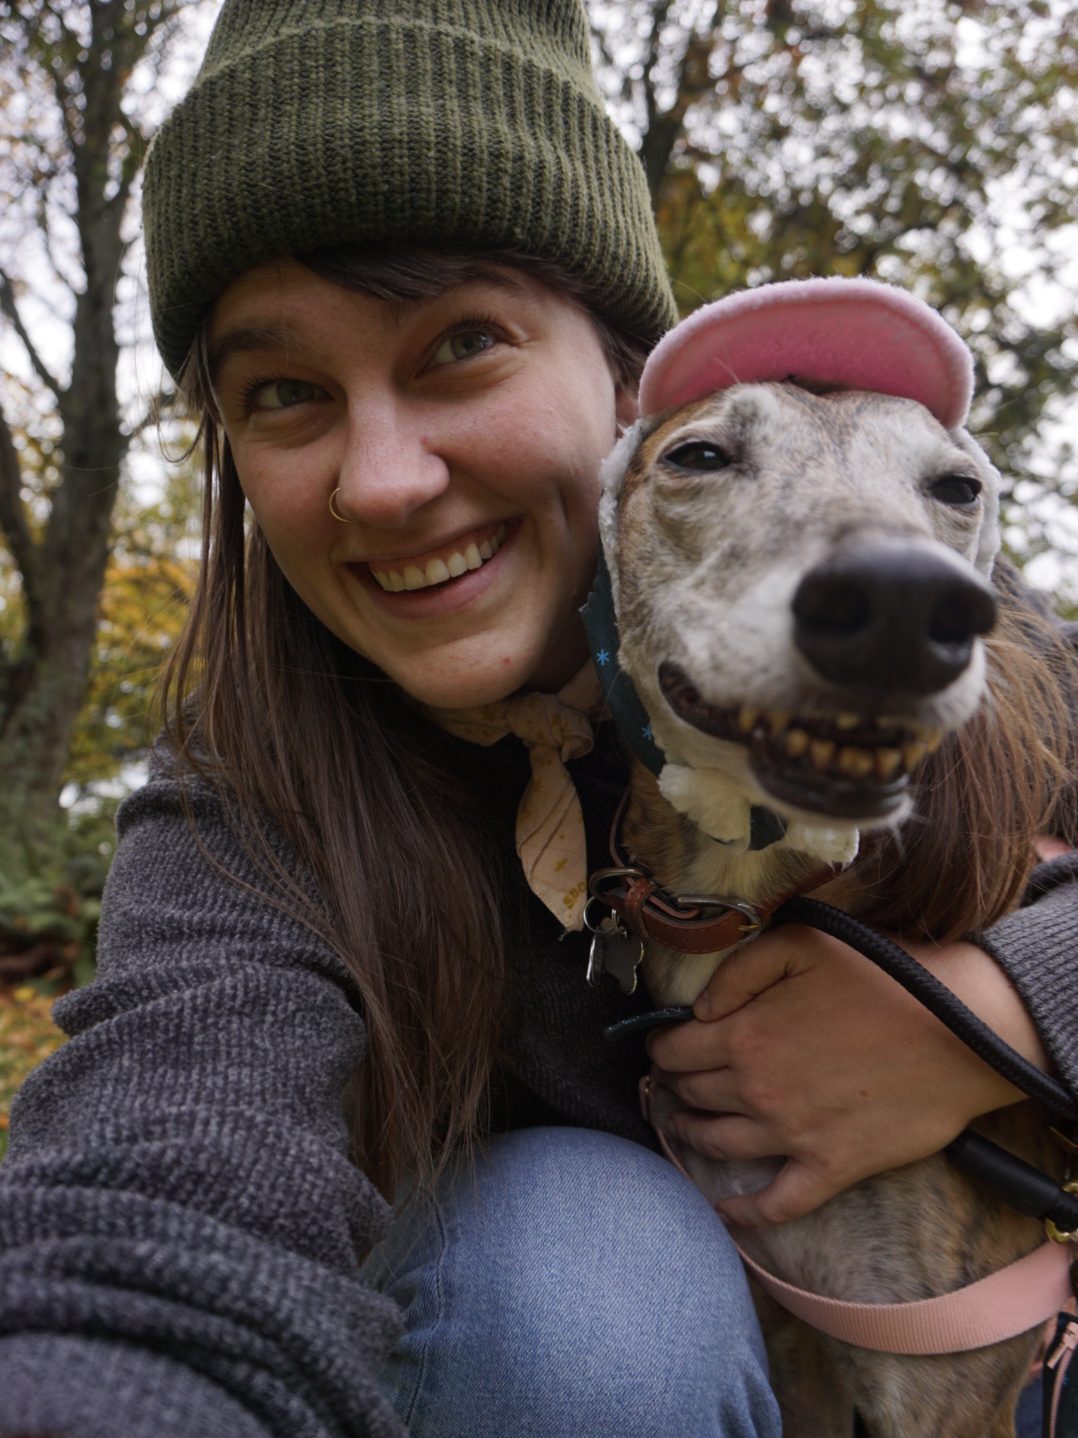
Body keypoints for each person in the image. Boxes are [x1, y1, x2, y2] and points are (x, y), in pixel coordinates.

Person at [0, 3, 1075, 1436]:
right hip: (584, 1345)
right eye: (285, 391)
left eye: (462, 344)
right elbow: (159, 1189)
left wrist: (1003, 1008)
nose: (382, 482)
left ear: (628, 384)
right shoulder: (250, 793)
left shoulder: (968, 646)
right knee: (561, 1271)